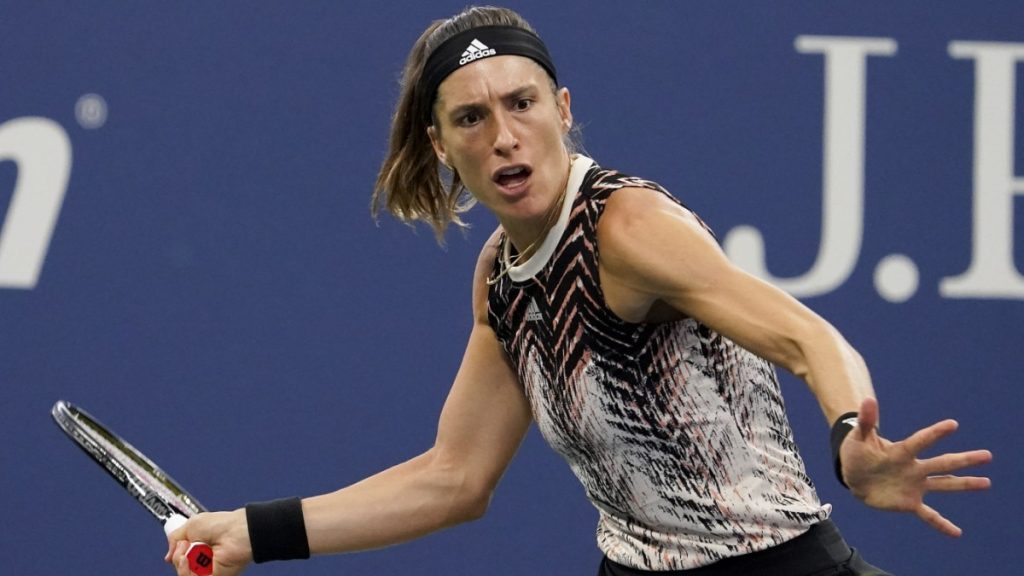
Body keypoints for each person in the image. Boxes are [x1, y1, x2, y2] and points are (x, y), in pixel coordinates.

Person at [166, 6, 992, 575]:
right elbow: (455, 479)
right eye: (470, 119)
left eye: (521, 104)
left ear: (562, 109)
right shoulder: (502, 274)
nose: (503, 136)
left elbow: (807, 338)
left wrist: (852, 438)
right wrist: (252, 534)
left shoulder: (625, 230)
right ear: (441, 146)